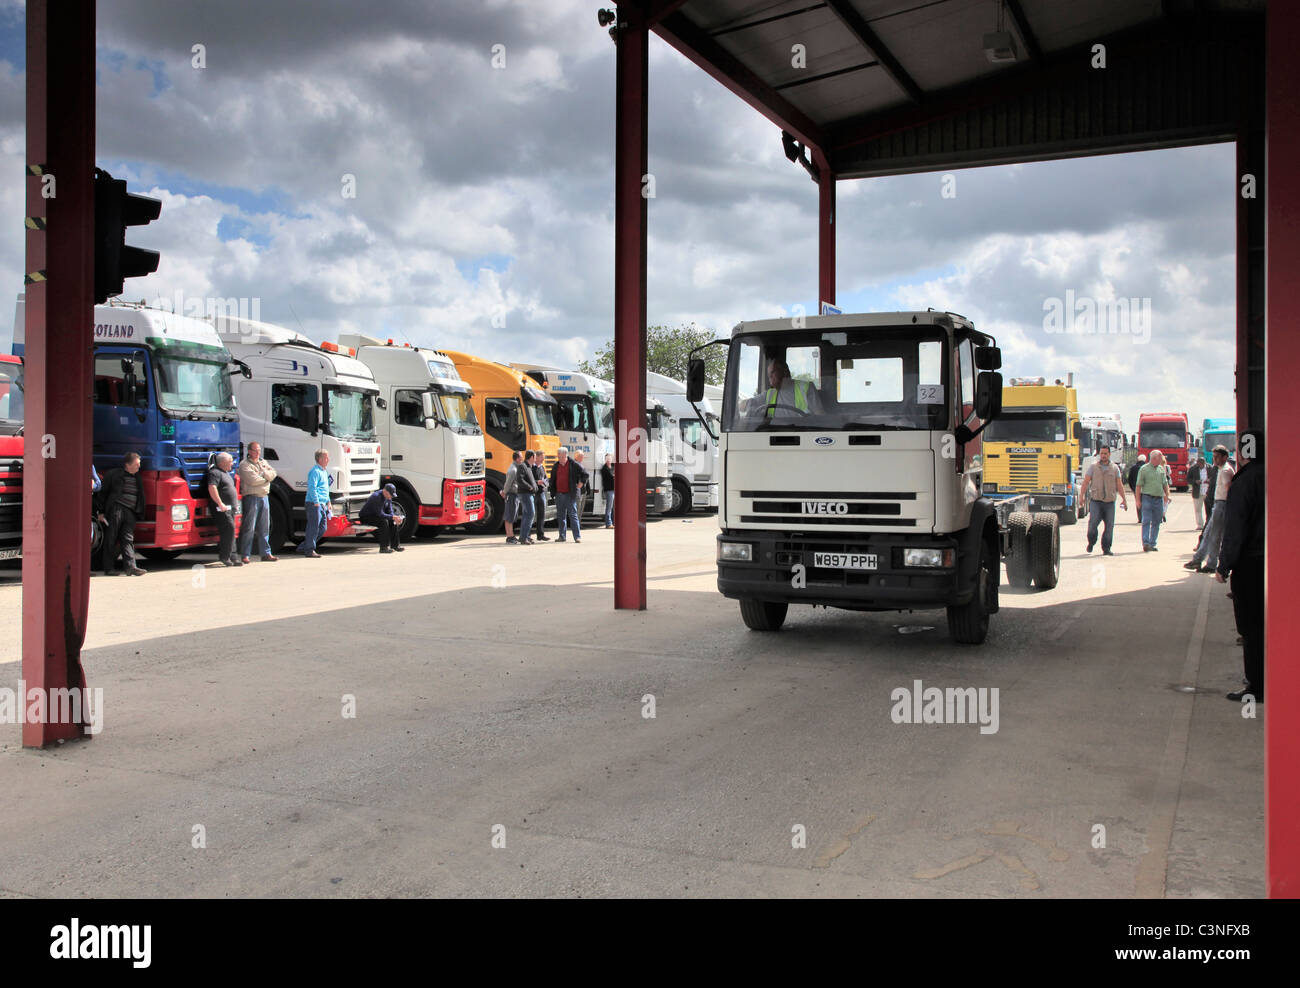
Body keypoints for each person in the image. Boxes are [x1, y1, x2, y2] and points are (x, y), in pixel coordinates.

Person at [1215, 430, 1264, 702]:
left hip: (1250, 564)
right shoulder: (1276, 473)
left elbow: (1235, 529)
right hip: (1275, 562)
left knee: (1251, 627)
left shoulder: (1244, 482)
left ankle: (1257, 686)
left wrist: (1224, 566)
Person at [94, 451, 146, 576]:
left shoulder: (137, 477)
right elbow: (103, 493)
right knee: (111, 538)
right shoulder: (114, 475)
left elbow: (140, 496)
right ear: (128, 465)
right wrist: (101, 512)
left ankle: (131, 567)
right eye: (137, 464)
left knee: (128, 539)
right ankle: (108, 568)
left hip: (130, 512)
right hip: (116, 509)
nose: (139, 466)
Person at [1184, 445, 1234, 573]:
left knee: (1214, 535)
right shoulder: (1220, 470)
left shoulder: (1225, 471)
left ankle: (1211, 563)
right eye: (1214, 457)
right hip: (1218, 504)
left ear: (1225, 457)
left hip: (1222, 504)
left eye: (1217, 457)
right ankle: (1198, 559)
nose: (1215, 459)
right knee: (1208, 534)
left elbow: (1230, 490)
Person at [1079, 444, 1127, 555]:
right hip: (1096, 501)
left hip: (1109, 503)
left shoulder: (1115, 468)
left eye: (1105, 453)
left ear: (1109, 454)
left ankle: (1106, 548)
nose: (1103, 455)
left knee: (1109, 527)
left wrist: (1124, 499)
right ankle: (1091, 542)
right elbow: (1086, 482)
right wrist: (1081, 496)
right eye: (1101, 453)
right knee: (1092, 525)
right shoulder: (1093, 467)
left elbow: (1119, 484)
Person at [238, 441, 278, 563]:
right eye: (255, 450)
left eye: (259, 450)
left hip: (264, 497)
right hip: (251, 497)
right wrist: (266, 479)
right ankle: (245, 554)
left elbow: (274, 474)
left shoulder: (263, 462)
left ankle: (266, 553)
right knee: (249, 527)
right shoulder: (244, 465)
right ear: (249, 451)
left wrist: (264, 475)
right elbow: (253, 480)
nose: (258, 452)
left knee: (264, 527)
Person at [207, 451, 241, 567]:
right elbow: (212, 487)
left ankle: (234, 557)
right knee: (229, 529)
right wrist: (220, 503)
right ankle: (225, 557)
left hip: (230, 508)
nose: (232, 464)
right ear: (222, 463)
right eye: (230, 462)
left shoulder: (226, 473)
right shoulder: (215, 473)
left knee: (231, 531)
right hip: (221, 508)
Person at [297, 449, 331, 558]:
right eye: (326, 458)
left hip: (323, 503)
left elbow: (325, 489)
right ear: (320, 459)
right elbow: (312, 487)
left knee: (323, 527)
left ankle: (305, 546)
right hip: (314, 503)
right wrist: (316, 502)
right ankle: (310, 550)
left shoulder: (324, 471)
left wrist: (328, 501)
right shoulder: (315, 471)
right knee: (313, 527)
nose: (328, 460)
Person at [551, 445, 588, 542]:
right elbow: (552, 480)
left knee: (573, 515)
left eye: (562, 457)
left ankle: (577, 537)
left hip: (570, 494)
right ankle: (562, 536)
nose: (560, 459)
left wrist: (581, 482)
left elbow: (585, 474)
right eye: (559, 457)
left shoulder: (574, 464)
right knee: (561, 516)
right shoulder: (556, 466)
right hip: (559, 494)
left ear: (566, 455)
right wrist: (553, 492)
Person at [1136, 449, 1170, 551]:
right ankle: (1146, 543)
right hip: (1147, 498)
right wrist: (1138, 500)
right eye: (1160, 457)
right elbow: (1138, 486)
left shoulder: (1161, 469)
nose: (1162, 459)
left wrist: (1166, 496)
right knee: (1146, 520)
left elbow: (1165, 484)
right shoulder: (1144, 469)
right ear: (1154, 458)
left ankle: (1152, 543)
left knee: (1156, 522)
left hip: (1158, 499)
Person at [359, 482, 405, 553]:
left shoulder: (388, 497)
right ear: (385, 491)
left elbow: (390, 510)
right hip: (367, 517)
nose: (391, 497)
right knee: (383, 522)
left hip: (377, 516)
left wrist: (395, 517)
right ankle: (384, 547)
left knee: (393, 522)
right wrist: (392, 517)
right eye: (390, 495)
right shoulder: (376, 497)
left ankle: (395, 546)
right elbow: (380, 513)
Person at [515, 450, 538, 544]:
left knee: (527, 515)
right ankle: (524, 537)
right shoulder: (523, 466)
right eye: (535, 457)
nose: (535, 459)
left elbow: (529, 479)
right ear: (531, 457)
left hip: (529, 494)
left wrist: (534, 485)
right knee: (530, 514)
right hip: (525, 494)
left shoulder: (529, 466)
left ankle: (525, 536)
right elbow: (519, 479)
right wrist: (530, 487)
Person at [502, 450, 523, 544]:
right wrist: (504, 492)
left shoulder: (515, 468)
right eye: (521, 457)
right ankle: (509, 536)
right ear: (517, 458)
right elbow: (508, 483)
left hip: (515, 495)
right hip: (511, 495)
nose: (522, 459)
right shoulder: (513, 470)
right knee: (509, 516)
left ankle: (511, 535)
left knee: (512, 515)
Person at [531, 448, 550, 541]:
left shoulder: (542, 467)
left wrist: (546, 482)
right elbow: (528, 480)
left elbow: (545, 477)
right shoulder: (531, 467)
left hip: (542, 492)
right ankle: (528, 535)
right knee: (531, 514)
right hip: (534, 494)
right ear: (536, 457)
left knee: (542, 514)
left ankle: (540, 534)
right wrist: (536, 482)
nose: (543, 459)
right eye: (542, 457)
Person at [1127, 453, 1146, 524]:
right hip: (1145, 489)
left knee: (1138, 503)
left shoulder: (1133, 468)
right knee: (1145, 503)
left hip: (1135, 489)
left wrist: (1132, 488)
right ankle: (1145, 517)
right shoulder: (1146, 467)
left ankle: (1140, 518)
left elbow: (1129, 479)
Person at [1188, 453, 1205, 529]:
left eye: (1202, 464)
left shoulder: (1210, 468)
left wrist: (1209, 480)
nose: (1200, 465)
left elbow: (1213, 477)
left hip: (1207, 491)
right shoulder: (1193, 469)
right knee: (1198, 509)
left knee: (1209, 509)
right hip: (1197, 492)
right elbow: (1188, 479)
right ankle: (1200, 525)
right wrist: (1195, 481)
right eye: (1199, 464)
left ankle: (1208, 524)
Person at [600, 453, 615, 528]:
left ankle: (613, 522)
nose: (609, 460)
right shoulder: (604, 469)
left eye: (610, 458)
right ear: (605, 459)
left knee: (613, 507)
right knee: (609, 507)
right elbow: (611, 477)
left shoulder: (613, 466)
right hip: (609, 490)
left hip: (614, 489)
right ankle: (608, 524)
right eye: (607, 459)